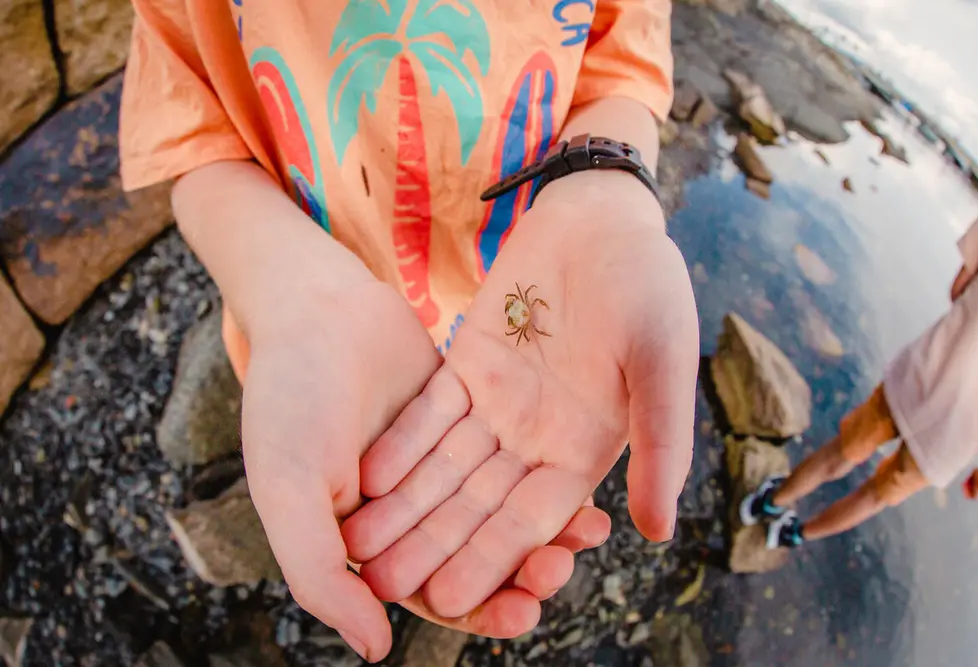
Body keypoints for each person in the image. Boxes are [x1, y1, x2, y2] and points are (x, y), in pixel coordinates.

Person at [120, 0, 698, 661]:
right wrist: (286, 294)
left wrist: (608, 195)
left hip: (524, 344)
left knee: (461, 549)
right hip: (325, 332)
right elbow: (192, 131)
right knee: (356, 515)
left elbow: (623, 69)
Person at [740, 200, 978, 550]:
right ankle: (793, 533)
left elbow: (958, 289)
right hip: (955, 434)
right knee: (874, 497)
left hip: (927, 373)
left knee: (841, 453)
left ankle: (768, 503)